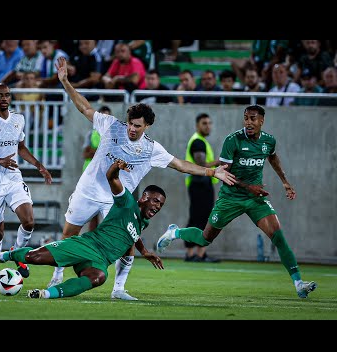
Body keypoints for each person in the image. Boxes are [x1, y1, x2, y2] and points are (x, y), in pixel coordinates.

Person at [47, 57, 236, 300]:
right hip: (88, 190)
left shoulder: (152, 149)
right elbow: (84, 107)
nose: (131, 129)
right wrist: (65, 82)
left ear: (147, 126)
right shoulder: (111, 126)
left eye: (137, 125)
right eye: (130, 124)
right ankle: (57, 275)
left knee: (127, 242)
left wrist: (212, 171)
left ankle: (118, 289)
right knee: (69, 234)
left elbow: (180, 164)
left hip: (117, 200)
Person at [157, 104, 317, 299]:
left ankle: (299, 283)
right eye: (246, 118)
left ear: (262, 121)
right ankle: (175, 232)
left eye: (253, 119)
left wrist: (285, 182)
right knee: (205, 238)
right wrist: (249, 186)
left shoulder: (268, 141)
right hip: (231, 197)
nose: (249, 122)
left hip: (255, 199)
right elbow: (224, 173)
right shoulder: (233, 141)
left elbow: (273, 158)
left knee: (278, 236)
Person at [0, 159, 166, 299]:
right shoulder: (127, 202)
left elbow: (132, 236)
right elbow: (111, 178)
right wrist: (116, 167)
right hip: (87, 245)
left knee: (99, 277)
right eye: (155, 201)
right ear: (143, 198)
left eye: (161, 205)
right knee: (35, 258)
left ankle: (45, 294)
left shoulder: (142, 223)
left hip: (101, 261)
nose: (157, 206)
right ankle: (2, 256)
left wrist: (145, 252)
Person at [0, 83, 52, 290]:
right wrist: (0, 161)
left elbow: (21, 148)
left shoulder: (19, 119)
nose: (4, 98)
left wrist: (39, 166)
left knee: (29, 221)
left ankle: (17, 252)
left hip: (13, 178)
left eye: (7, 95)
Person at [183, 113, 221, 262]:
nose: (208, 126)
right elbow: (201, 165)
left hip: (201, 184)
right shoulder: (198, 142)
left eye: (209, 123)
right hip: (200, 184)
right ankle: (194, 254)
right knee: (199, 217)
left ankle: (196, 253)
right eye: (204, 123)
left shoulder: (200, 141)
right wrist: (218, 162)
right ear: (197, 125)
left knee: (200, 217)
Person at [81, 105, 111, 231]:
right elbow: (86, 153)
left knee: (108, 211)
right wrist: (102, 151)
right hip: (91, 175)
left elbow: (110, 155)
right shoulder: (91, 133)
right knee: (93, 211)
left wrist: (96, 151)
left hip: (106, 176)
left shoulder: (113, 135)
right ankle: (91, 241)